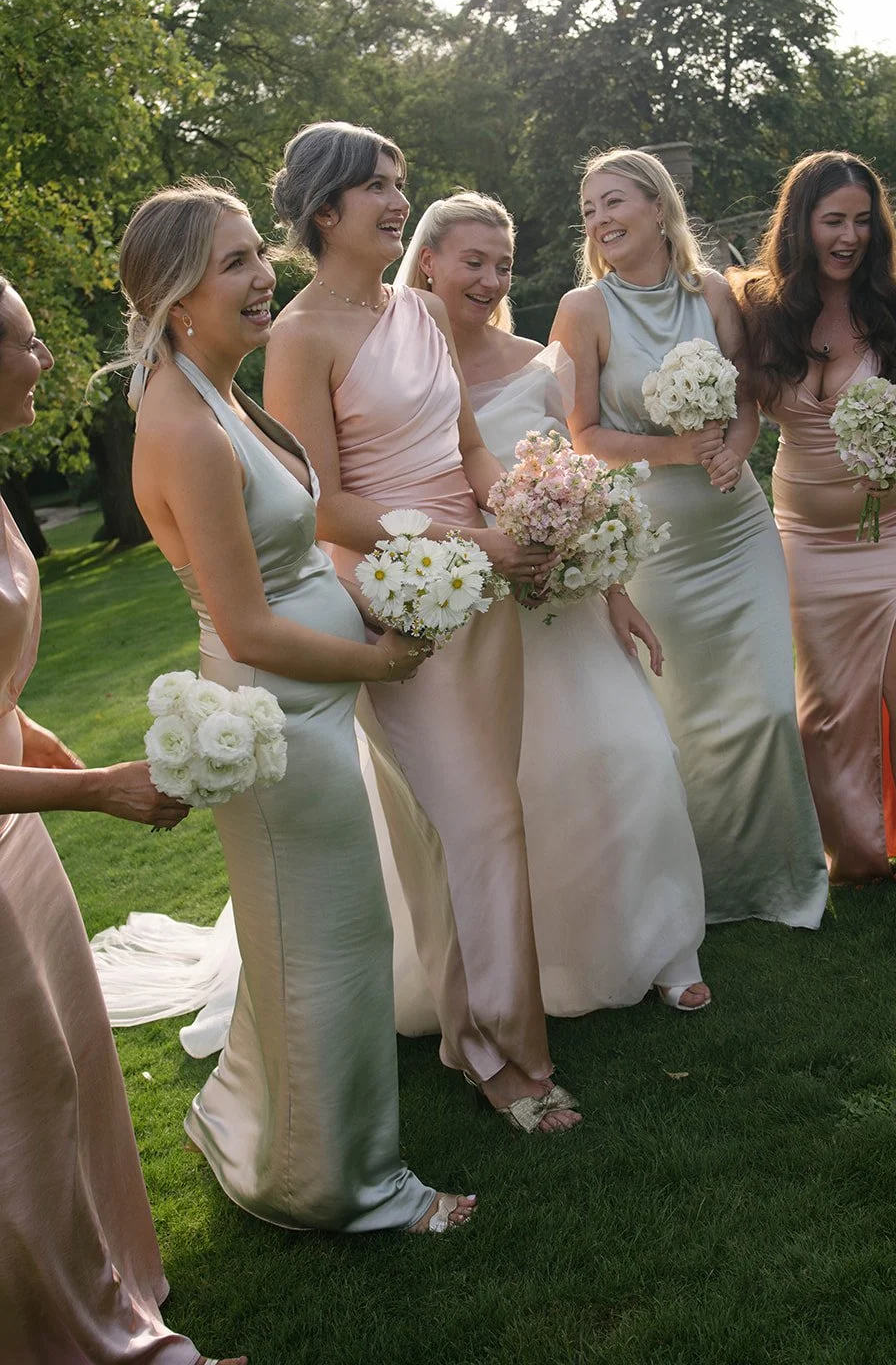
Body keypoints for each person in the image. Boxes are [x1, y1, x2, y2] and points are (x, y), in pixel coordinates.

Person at [122, 180, 474, 1233]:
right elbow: (246, 626)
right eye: (232, 263)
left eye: (254, 254)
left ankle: (255, 1126)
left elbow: (294, 562)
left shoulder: (223, 394)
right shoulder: (187, 427)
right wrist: (379, 660)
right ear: (177, 296)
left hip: (306, 704)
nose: (261, 274)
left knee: (308, 944)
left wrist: (376, 603)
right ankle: (345, 1188)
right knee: (332, 952)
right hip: (277, 716)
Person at [265, 124, 581, 1134]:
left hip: (481, 589)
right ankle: (507, 1055)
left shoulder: (424, 310)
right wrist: (474, 541)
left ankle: (472, 1030)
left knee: (473, 824)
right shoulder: (298, 336)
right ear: (324, 210)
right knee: (481, 824)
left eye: (399, 182)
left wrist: (518, 507)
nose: (398, 200)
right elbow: (320, 506)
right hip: (399, 601)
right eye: (376, 186)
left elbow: (468, 444)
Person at [0, 273, 245, 1365]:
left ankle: (105, 1292)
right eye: (26, 340)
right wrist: (96, 786)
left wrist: (34, 731)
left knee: (73, 1068)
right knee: (20, 1106)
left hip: (16, 838)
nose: (46, 356)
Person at [394, 191, 709, 1012]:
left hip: (559, 601)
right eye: (473, 262)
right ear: (426, 264)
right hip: (462, 605)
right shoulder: (393, 373)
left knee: (628, 755)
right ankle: (533, 964)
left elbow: (572, 485)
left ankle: (661, 946)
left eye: (502, 265)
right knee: (516, 787)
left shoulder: (538, 362)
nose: (491, 280)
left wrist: (611, 586)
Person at [551, 147, 827, 928]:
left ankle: (777, 878)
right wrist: (674, 449)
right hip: (655, 541)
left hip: (737, 527)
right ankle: (697, 889)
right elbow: (579, 434)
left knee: (767, 705)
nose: (599, 220)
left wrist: (736, 446)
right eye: (589, 210)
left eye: (613, 202)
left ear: (656, 205)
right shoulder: (582, 310)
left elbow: (745, 394)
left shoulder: (710, 292)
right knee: (682, 719)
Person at [741, 152, 896, 902]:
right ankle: (853, 847)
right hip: (808, 537)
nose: (849, 236)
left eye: (863, 220)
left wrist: (894, 459)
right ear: (799, 225)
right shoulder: (757, 309)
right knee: (828, 708)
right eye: (832, 220)